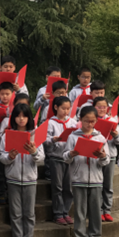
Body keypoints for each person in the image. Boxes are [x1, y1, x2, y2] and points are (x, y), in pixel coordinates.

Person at [63, 106, 110, 237]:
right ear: (80, 120)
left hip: (96, 180)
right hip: (79, 179)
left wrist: (102, 156)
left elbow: (106, 161)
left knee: (96, 212)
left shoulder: (101, 138)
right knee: (80, 212)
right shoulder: (73, 137)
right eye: (86, 121)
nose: (89, 124)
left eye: (93, 121)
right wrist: (71, 153)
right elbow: (65, 157)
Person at [0, 104, 44, 237]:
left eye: (24, 116)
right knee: (16, 212)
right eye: (18, 116)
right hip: (13, 178)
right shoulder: (7, 135)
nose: (21, 119)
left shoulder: (35, 135)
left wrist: (34, 152)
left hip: (30, 179)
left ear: (29, 118)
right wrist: (10, 157)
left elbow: (42, 158)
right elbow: (1, 157)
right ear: (13, 118)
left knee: (29, 213)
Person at [44, 96, 77, 226]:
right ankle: (58, 213)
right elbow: (44, 140)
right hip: (56, 157)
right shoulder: (50, 123)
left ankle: (66, 212)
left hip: (69, 158)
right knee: (57, 186)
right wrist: (54, 140)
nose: (66, 111)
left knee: (68, 187)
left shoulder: (72, 122)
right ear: (56, 107)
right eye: (63, 108)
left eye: (68, 108)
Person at [93, 97, 119, 222]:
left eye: (104, 107)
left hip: (110, 156)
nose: (101, 109)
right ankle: (98, 210)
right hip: (95, 156)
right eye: (98, 106)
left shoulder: (113, 121)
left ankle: (107, 210)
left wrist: (115, 135)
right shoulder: (91, 121)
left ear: (108, 108)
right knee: (98, 184)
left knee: (108, 185)